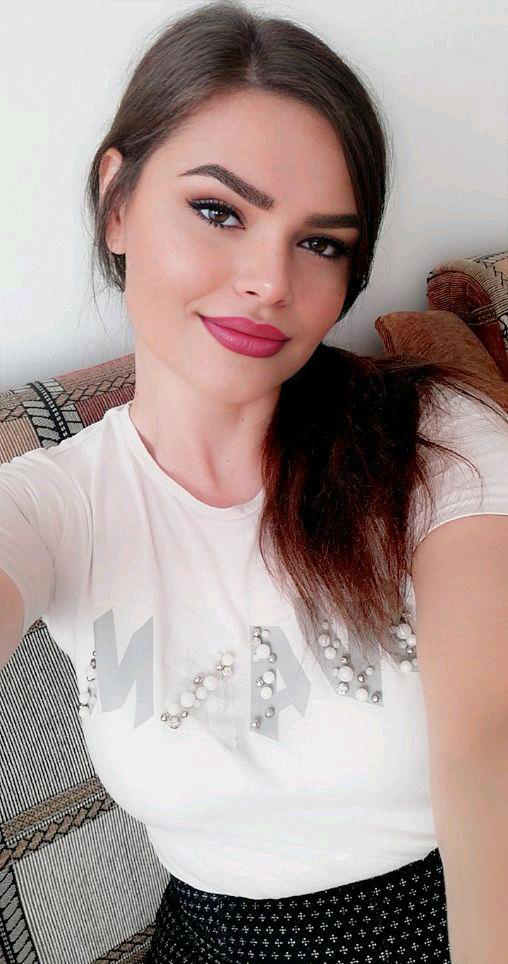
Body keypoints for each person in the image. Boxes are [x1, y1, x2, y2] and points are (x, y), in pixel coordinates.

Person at [1, 1, 507, 962]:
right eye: (218, 212)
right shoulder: (56, 503)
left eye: (320, 243)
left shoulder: (437, 438)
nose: (271, 281)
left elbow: (491, 750)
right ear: (117, 204)